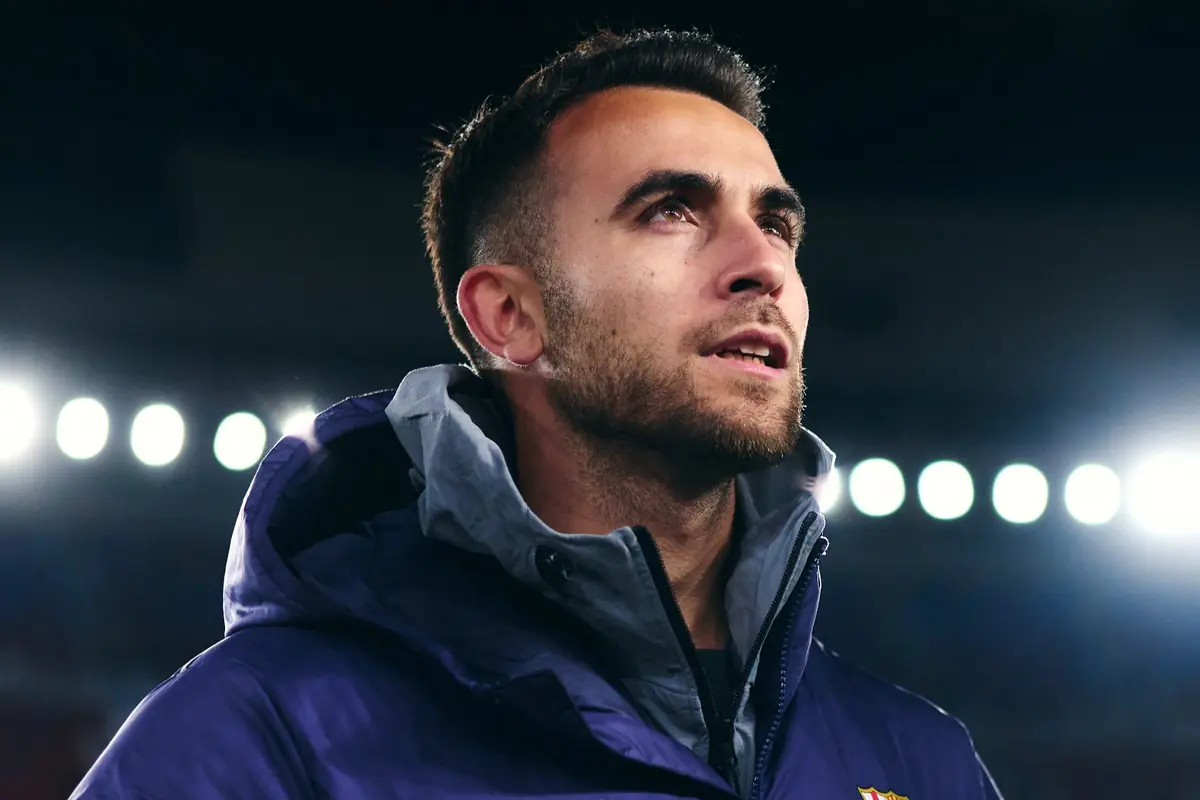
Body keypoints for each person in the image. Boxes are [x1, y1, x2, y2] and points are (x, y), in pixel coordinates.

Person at [72, 28, 1002, 800]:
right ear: (509, 318)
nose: (761, 262)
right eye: (672, 211)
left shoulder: (921, 760)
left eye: (778, 223)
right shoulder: (263, 740)